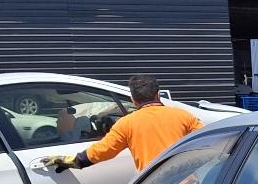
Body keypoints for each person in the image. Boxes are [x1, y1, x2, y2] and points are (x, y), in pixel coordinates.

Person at [44, 74, 201, 174]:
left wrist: (71, 161)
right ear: (158, 94)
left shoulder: (127, 123)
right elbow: (210, 139)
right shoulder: (183, 116)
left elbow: (100, 152)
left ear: (133, 99)